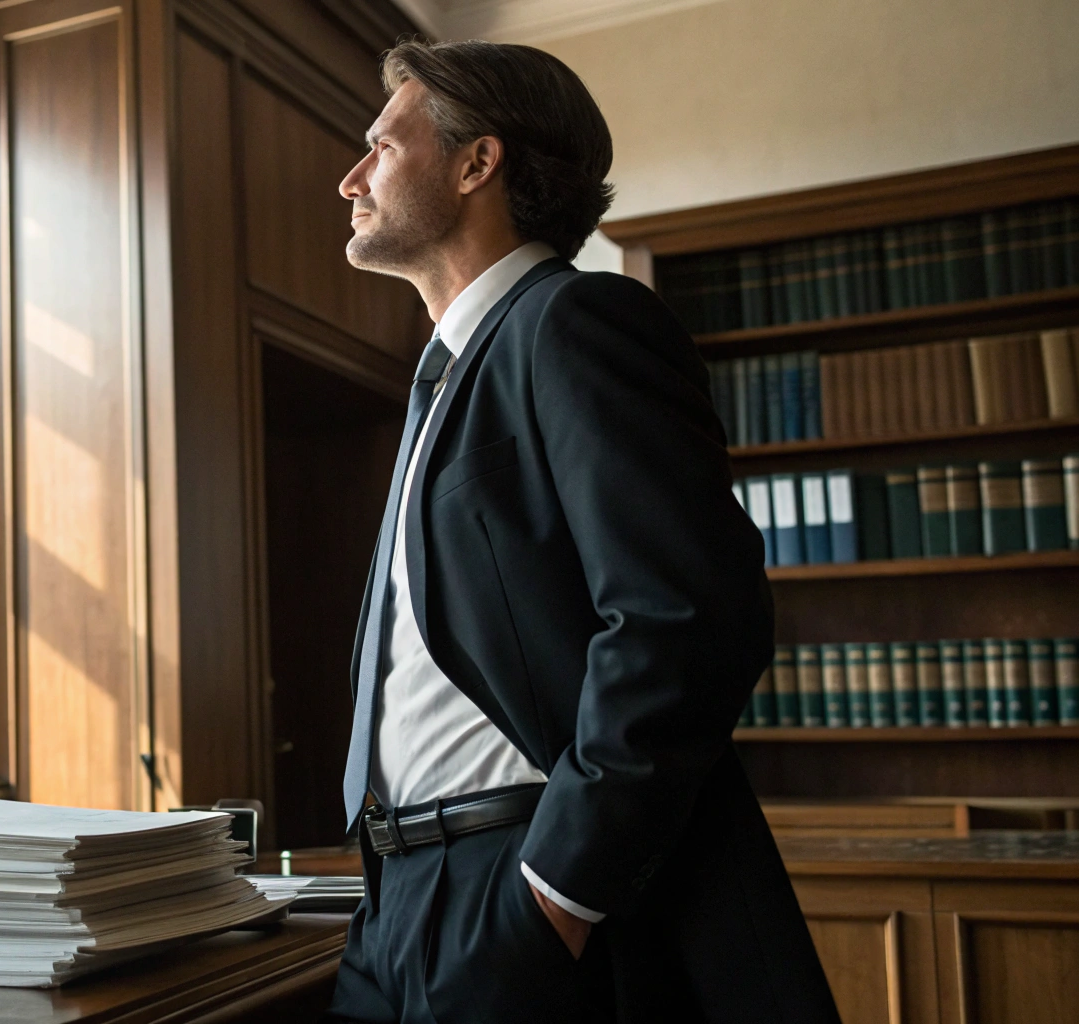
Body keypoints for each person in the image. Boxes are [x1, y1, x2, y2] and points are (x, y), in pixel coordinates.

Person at [325, 39, 839, 1023]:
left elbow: (682, 620)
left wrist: (552, 896)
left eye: (379, 147)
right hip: (390, 907)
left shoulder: (570, 321)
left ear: (478, 163)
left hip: (522, 885)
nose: (349, 177)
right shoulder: (440, 377)